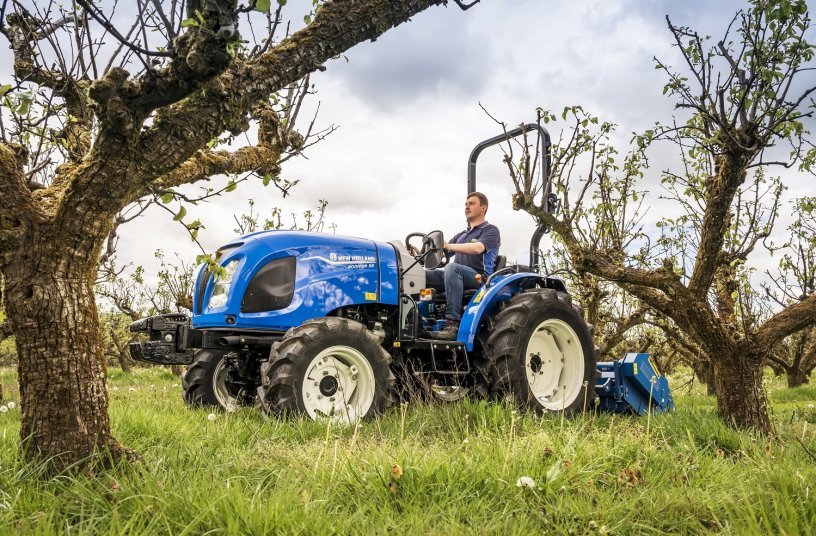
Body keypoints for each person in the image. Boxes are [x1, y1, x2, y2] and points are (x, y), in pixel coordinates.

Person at [424, 192, 500, 339]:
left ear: (483, 208)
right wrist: (419, 252)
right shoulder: (462, 235)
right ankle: (417, 319)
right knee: (422, 275)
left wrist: (449, 246)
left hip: (479, 279)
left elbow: (478, 248)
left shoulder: (490, 230)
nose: (467, 206)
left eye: (471, 203)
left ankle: (452, 322)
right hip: (455, 277)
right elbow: (442, 251)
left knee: (452, 268)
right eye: (466, 204)